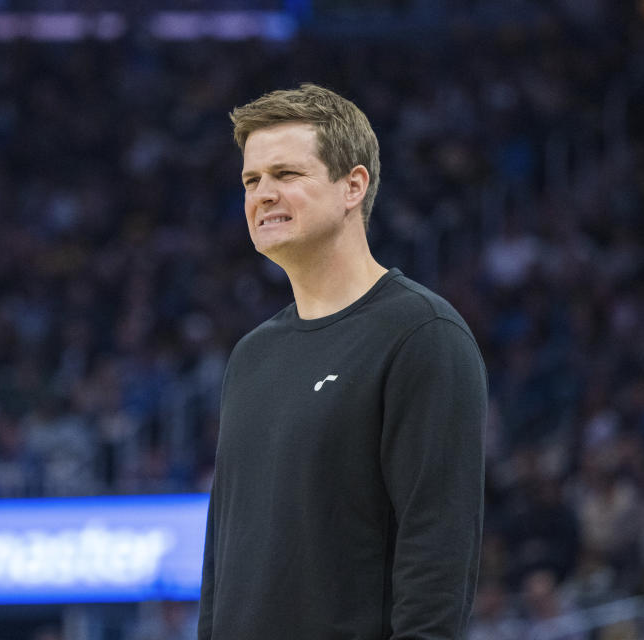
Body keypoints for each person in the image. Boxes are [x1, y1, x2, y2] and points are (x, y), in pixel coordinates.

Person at [197, 84, 487, 639]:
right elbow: (222, 557)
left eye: (286, 175)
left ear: (353, 185)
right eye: (251, 180)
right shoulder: (251, 354)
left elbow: (437, 556)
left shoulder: (424, 335)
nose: (263, 194)